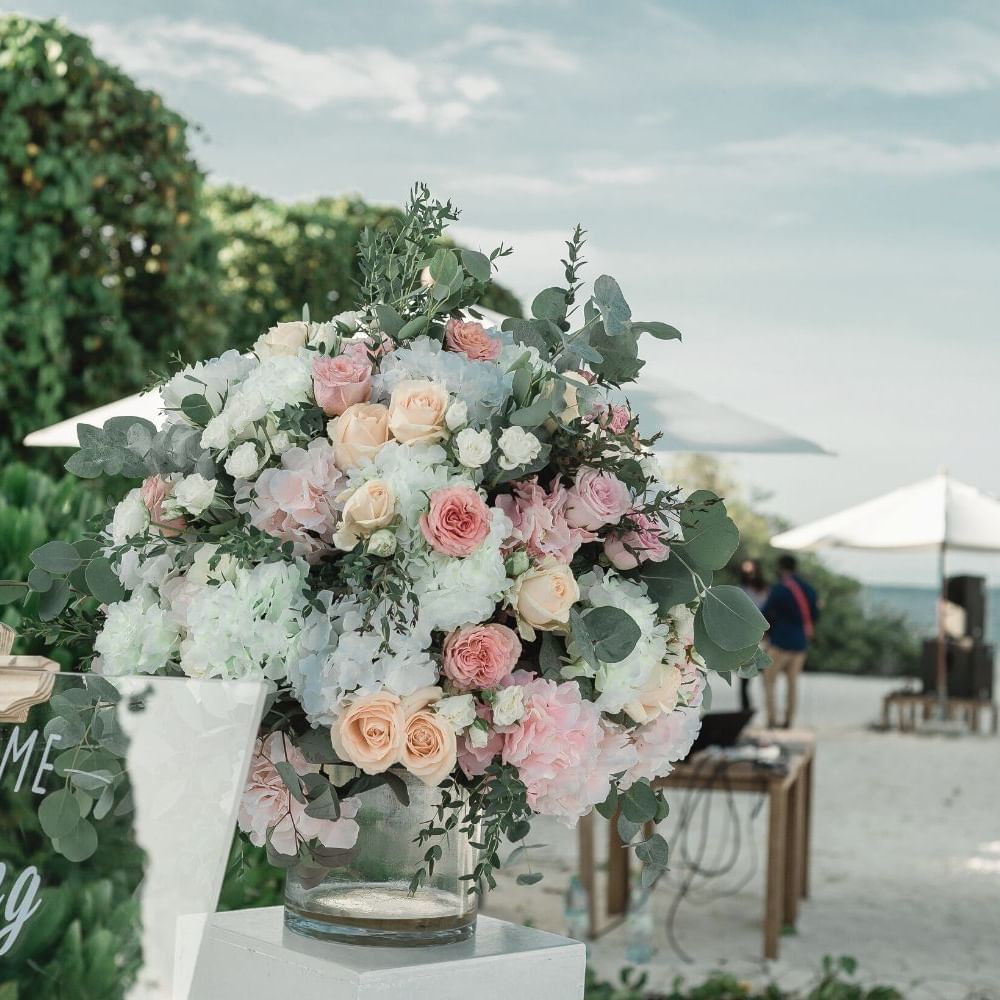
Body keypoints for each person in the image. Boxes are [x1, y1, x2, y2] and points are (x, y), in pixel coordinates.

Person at [761, 554, 820, 729]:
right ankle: (788, 720)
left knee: (769, 681)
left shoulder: (780, 589)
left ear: (781, 568)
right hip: (800, 642)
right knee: (793, 683)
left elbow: (764, 613)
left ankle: (772, 719)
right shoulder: (809, 589)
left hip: (780, 642)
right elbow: (815, 615)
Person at [738, 559, 769, 712]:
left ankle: (768, 707)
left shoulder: (764, 589)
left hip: (761, 634)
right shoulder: (741, 588)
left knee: (765, 672)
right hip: (746, 636)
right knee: (745, 676)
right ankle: (745, 708)